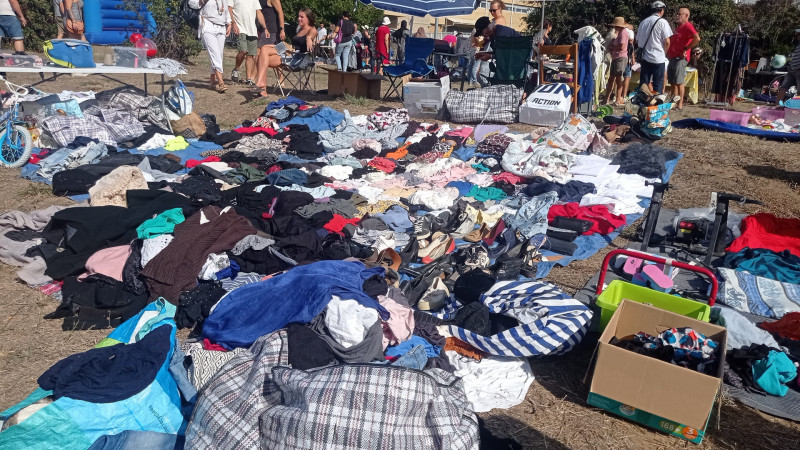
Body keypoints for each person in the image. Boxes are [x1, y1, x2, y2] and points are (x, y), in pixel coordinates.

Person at [190, 0, 232, 93]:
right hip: (207, 25)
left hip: (221, 27)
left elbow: (225, 8)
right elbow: (192, 4)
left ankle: (212, 81)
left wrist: (229, 22)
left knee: (219, 55)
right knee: (215, 54)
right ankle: (221, 82)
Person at [636, 1, 672, 94]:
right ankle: (656, 105)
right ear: (661, 11)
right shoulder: (662, 22)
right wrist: (664, 53)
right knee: (658, 84)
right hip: (658, 58)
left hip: (645, 57)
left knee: (644, 84)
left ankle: (643, 103)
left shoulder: (643, 22)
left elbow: (638, 41)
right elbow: (667, 41)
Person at [667, 6, 699, 109]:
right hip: (672, 57)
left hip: (680, 58)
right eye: (677, 13)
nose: (677, 16)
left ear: (686, 16)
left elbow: (697, 38)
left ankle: (680, 104)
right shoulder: (679, 27)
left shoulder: (688, 26)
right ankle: (673, 103)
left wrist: (686, 48)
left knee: (679, 82)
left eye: (679, 14)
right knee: (672, 82)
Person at [230, 0, 266, 85]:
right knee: (243, 51)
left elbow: (259, 12)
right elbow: (229, 9)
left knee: (250, 55)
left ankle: (248, 78)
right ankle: (236, 69)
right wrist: (233, 23)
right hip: (240, 28)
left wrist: (265, 27)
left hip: (252, 30)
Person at [253, 0, 285, 97]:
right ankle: (261, 88)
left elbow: (280, 12)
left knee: (262, 58)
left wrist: (282, 29)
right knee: (259, 58)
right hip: (263, 31)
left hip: (272, 32)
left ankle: (262, 89)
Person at [604, 17, 630, 106]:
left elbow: (622, 47)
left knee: (618, 78)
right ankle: (607, 98)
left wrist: (613, 48)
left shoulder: (623, 33)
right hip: (616, 57)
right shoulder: (619, 34)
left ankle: (618, 99)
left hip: (620, 57)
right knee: (612, 78)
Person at [778, 28, 800, 104]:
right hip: (791, 71)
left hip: (798, 71)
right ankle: (777, 105)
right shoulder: (798, 45)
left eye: (799, 34)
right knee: (783, 88)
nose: (797, 36)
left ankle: (798, 109)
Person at [622, 23, 636, 101]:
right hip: (627, 58)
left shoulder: (620, 32)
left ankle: (618, 95)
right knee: (627, 77)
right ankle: (624, 95)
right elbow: (631, 48)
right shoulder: (630, 33)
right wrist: (633, 57)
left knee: (619, 77)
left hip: (619, 57)